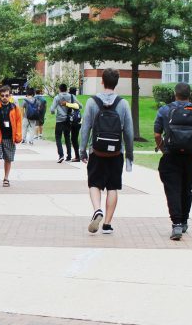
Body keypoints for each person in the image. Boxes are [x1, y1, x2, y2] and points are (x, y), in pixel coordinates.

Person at [154, 82, 192, 240]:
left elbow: (157, 135)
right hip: (191, 157)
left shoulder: (165, 110)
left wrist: (163, 149)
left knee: (173, 189)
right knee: (186, 188)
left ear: (175, 94)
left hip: (171, 156)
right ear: (190, 95)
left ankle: (176, 224)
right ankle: (184, 221)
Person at [79, 68, 134, 235]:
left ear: (102, 81)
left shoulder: (92, 102)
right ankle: (108, 224)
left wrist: (82, 150)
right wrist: (129, 154)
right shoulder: (123, 103)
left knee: (94, 183)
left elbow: (85, 128)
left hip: (97, 150)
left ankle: (97, 210)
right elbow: (129, 131)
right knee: (112, 187)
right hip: (116, 153)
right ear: (117, 83)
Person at [50, 84, 73, 163]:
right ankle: (69, 156)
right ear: (66, 89)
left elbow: (52, 110)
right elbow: (79, 106)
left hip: (59, 120)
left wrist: (55, 111)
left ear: (59, 89)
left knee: (58, 137)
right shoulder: (71, 97)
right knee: (67, 137)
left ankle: (61, 155)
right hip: (68, 120)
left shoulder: (57, 98)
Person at [66, 87, 83, 162]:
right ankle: (77, 156)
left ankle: (70, 156)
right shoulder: (73, 97)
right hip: (77, 121)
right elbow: (81, 106)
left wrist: (68, 104)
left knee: (69, 138)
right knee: (74, 139)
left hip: (69, 120)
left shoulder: (67, 97)